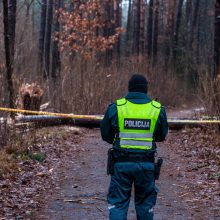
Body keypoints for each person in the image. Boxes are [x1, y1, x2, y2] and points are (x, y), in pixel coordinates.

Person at [100, 74, 168, 220]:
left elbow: (106, 135)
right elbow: (161, 136)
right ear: (146, 89)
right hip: (146, 166)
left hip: (120, 164)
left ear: (129, 88)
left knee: (118, 204)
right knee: (145, 205)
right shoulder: (156, 109)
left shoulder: (117, 107)